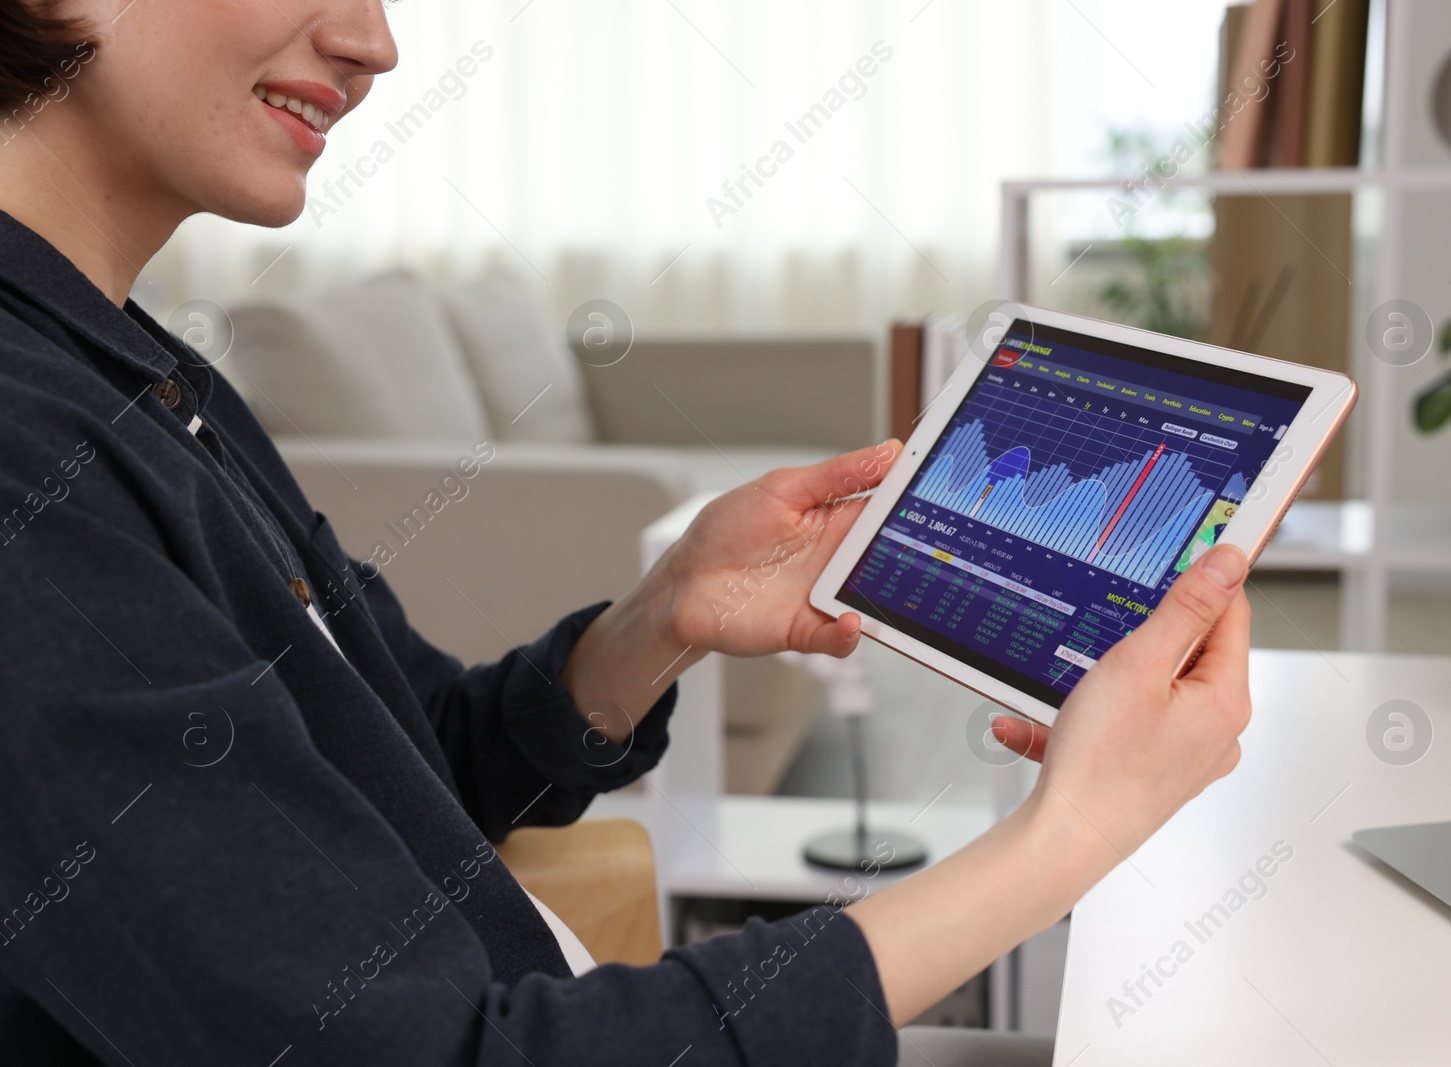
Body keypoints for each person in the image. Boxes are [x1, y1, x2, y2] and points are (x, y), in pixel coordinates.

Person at [0, 1, 1254, 1063]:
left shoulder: (141, 375)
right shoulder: (25, 455)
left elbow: (408, 763)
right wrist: (1066, 837)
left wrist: (662, 616)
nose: (373, 40)